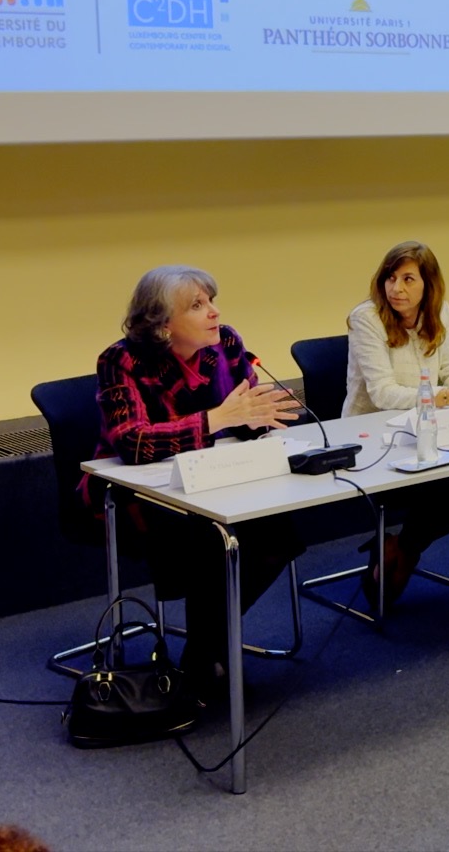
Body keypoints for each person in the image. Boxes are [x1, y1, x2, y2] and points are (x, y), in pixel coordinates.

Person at [89, 266, 304, 693]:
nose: (214, 312)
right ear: (162, 324)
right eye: (197, 305)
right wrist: (214, 420)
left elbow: (247, 413)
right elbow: (132, 441)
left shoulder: (226, 344)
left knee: (279, 534)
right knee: (210, 541)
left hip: (218, 480)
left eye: (211, 301)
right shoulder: (122, 361)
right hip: (140, 495)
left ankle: (203, 648)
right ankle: (207, 656)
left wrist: (260, 420)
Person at [343, 240, 449, 612]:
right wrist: (448, 397)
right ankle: (404, 552)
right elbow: (383, 393)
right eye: (390, 278)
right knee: (448, 482)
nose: (396, 288)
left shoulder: (440, 311)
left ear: (428, 285)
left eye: (408, 279)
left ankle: (404, 548)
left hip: (429, 428)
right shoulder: (366, 319)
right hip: (373, 438)